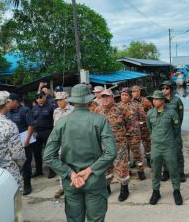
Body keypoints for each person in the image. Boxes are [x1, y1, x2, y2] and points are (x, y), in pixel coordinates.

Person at [44, 84, 117, 222]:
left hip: (71, 182)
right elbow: (111, 152)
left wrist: (69, 173)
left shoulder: (61, 122)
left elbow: (48, 155)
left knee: (74, 219)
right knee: (96, 219)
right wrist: (90, 170)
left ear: (72, 101)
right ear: (90, 100)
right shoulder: (99, 120)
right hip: (94, 180)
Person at [146, 90, 183, 205]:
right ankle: (156, 191)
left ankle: (176, 191)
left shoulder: (172, 113)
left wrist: (169, 140)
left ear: (163, 100)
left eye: (157, 99)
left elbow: (177, 129)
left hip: (169, 147)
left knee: (173, 170)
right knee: (156, 170)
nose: (154, 101)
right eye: (153, 99)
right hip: (156, 147)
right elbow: (149, 129)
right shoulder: (150, 113)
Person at [94, 89, 130, 202]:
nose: (105, 99)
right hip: (103, 146)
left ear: (113, 97)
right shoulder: (97, 110)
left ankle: (124, 189)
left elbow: (130, 126)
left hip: (119, 145)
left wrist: (126, 140)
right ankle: (106, 187)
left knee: (122, 167)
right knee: (105, 168)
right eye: (103, 97)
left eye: (108, 96)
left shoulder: (121, 109)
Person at [6, 93, 35, 195]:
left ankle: (27, 185)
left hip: (24, 140)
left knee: (26, 163)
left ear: (15, 101)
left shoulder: (25, 110)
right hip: (12, 142)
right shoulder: (7, 112)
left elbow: (31, 125)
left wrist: (27, 140)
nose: (7, 103)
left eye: (9, 101)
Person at [118, 88, 146, 180]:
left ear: (130, 96)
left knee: (137, 153)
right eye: (122, 95)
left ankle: (140, 171)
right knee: (125, 155)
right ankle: (128, 171)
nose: (124, 97)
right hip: (122, 135)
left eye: (126, 95)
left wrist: (138, 126)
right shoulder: (117, 106)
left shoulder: (136, 105)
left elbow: (142, 117)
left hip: (134, 134)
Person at [160, 80, 185, 182]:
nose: (164, 90)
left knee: (178, 151)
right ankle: (166, 172)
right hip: (164, 132)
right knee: (165, 152)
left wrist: (176, 128)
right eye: (162, 88)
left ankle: (180, 172)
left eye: (166, 88)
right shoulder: (160, 101)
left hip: (175, 131)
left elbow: (180, 116)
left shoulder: (177, 100)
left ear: (170, 89)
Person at [52, 91, 74, 198]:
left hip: (71, 141)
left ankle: (74, 185)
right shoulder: (56, 111)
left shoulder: (73, 110)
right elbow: (55, 127)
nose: (58, 102)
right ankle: (62, 187)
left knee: (73, 163)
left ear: (66, 99)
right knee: (61, 163)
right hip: (60, 142)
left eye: (60, 100)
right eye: (57, 100)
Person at [31, 91, 56, 178]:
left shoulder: (51, 107)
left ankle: (52, 170)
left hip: (48, 131)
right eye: (37, 98)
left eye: (41, 97)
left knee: (49, 152)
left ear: (45, 96)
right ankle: (38, 170)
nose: (39, 99)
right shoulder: (34, 108)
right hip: (37, 132)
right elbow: (32, 120)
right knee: (36, 152)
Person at [131, 85, 152, 167]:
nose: (133, 93)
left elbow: (151, 112)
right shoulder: (130, 102)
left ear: (139, 91)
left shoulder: (145, 101)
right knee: (135, 144)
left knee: (147, 143)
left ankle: (149, 159)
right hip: (135, 128)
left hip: (144, 127)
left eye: (135, 91)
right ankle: (135, 160)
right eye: (132, 92)